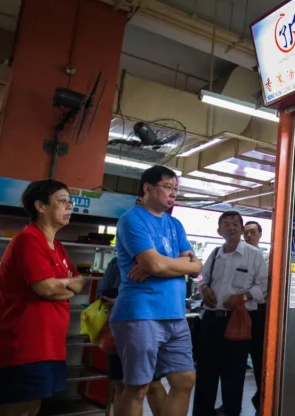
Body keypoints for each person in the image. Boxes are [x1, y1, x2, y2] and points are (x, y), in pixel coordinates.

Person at [111, 165, 201, 416]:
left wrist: (158, 266)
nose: (173, 193)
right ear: (147, 188)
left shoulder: (175, 224)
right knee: (138, 387)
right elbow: (162, 264)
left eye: (176, 189)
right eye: (167, 187)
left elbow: (196, 268)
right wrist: (160, 265)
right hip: (141, 314)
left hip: (175, 315)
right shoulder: (132, 219)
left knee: (184, 380)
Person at [0, 179, 84, 416]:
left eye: (70, 202)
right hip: (26, 346)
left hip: (50, 345)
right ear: (40, 206)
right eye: (62, 201)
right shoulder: (28, 240)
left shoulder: (58, 246)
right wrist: (65, 286)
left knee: (33, 406)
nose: (69, 207)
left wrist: (63, 285)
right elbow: (45, 288)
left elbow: (79, 282)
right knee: (18, 408)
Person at [194, 211, 268, 416]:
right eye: (226, 224)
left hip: (238, 322)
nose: (232, 227)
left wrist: (242, 298)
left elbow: (263, 287)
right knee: (205, 374)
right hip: (211, 320)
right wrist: (205, 289)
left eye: (236, 223)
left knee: (233, 376)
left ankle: (231, 411)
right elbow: (201, 278)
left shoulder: (254, 255)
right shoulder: (216, 252)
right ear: (219, 230)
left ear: (241, 228)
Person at [98, 257, 168, 415]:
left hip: (147, 328)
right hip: (118, 328)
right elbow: (101, 292)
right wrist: (110, 301)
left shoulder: (156, 261)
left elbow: (162, 296)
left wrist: (123, 301)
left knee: (151, 383)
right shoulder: (116, 262)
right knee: (120, 384)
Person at [242, 220, 268, 411]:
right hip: (236, 312)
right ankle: (231, 403)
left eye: (253, 232)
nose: (249, 235)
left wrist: (243, 295)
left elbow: (263, 285)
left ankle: (261, 399)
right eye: (246, 232)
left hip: (258, 313)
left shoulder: (265, 257)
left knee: (259, 358)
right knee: (235, 359)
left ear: (260, 234)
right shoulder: (236, 255)